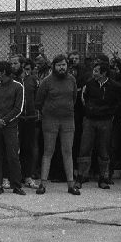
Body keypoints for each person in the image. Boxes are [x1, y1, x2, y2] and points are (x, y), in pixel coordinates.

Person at [35, 54, 80, 195]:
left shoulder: (72, 80)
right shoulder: (47, 81)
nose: (62, 67)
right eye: (59, 65)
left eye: (64, 65)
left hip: (68, 119)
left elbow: (74, 99)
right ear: (54, 66)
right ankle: (42, 184)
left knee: (67, 151)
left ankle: (71, 185)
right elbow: (38, 101)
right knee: (48, 151)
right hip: (50, 120)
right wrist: (48, 112)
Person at [76, 61, 121, 189]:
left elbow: (118, 103)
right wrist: (90, 110)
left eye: (96, 71)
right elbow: (83, 100)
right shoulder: (89, 84)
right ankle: (80, 177)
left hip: (105, 121)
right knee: (84, 148)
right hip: (89, 120)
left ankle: (102, 178)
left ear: (104, 73)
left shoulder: (114, 86)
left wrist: (109, 112)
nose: (94, 73)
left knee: (103, 149)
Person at [0, 61, 26, 195]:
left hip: (10, 127)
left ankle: (17, 185)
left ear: (3, 72)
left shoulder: (18, 86)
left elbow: (18, 108)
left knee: (13, 155)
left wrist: (5, 120)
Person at [17, 58, 40, 188]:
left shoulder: (33, 80)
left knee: (29, 148)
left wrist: (36, 113)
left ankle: (28, 176)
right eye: (23, 69)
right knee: (15, 148)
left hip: (30, 118)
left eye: (28, 70)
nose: (25, 72)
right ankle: (15, 175)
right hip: (17, 118)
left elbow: (38, 97)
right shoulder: (14, 80)